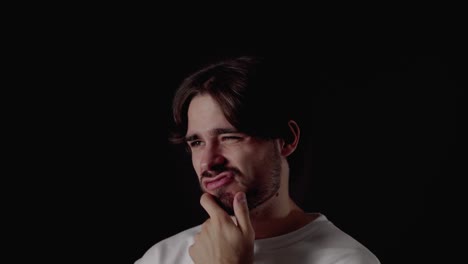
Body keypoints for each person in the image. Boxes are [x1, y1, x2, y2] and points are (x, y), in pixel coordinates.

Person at [135, 55, 381, 264]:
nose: (207, 162)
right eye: (196, 143)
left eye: (230, 137)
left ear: (286, 140)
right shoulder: (160, 258)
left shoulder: (347, 259)